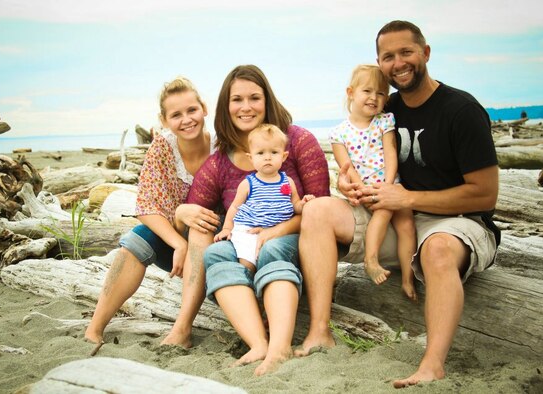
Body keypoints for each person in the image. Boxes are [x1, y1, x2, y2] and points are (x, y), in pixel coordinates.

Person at [296, 20, 500, 389]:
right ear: (380, 64)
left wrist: (408, 197)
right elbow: (356, 150)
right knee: (317, 210)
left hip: (458, 223)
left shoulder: (461, 110)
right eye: (388, 57)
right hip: (390, 216)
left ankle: (432, 365)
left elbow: (486, 195)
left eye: (406, 52)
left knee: (437, 249)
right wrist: (347, 181)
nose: (398, 63)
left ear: (425, 53)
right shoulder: (383, 109)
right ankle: (319, 333)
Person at [164, 64, 330, 375]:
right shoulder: (219, 162)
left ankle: (280, 347)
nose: (246, 107)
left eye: (254, 97)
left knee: (272, 252)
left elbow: (319, 212)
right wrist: (181, 212)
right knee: (216, 255)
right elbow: (192, 211)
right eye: (236, 99)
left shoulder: (298, 141)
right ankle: (258, 343)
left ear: (267, 99)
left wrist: (277, 231)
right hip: (245, 240)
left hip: (293, 240)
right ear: (226, 107)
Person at [84, 77, 220, 351]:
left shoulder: (222, 145)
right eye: (176, 115)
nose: (187, 120)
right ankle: (95, 328)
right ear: (163, 119)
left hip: (215, 243)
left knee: (201, 227)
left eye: (192, 110)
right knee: (135, 242)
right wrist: (178, 241)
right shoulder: (162, 147)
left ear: (204, 108)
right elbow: (146, 205)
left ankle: (183, 330)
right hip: (179, 246)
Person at [329, 64, 416, 300]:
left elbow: (391, 152)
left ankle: (409, 277)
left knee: (407, 223)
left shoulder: (384, 121)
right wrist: (364, 188)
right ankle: (371, 258)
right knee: (384, 210)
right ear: (351, 92)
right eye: (367, 91)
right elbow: (346, 166)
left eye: (380, 93)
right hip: (365, 189)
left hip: (390, 184)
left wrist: (388, 183)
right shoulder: (339, 133)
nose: (374, 98)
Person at [214, 123, 315, 274]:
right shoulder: (248, 183)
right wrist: (227, 228)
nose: (267, 157)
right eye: (260, 153)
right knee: (248, 261)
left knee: (268, 258)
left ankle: (267, 282)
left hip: (275, 231)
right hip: (248, 230)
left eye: (274, 152)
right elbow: (235, 207)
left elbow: (294, 205)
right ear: (251, 158)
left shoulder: (288, 181)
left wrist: (304, 203)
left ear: (284, 156)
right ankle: (246, 281)